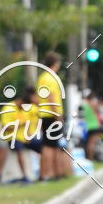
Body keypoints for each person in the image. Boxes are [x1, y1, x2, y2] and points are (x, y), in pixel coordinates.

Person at [36, 51, 69, 179]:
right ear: (55, 63)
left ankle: (49, 173)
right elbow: (52, 98)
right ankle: (49, 173)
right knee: (50, 146)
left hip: (43, 114)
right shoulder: (52, 77)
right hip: (52, 115)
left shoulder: (42, 77)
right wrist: (57, 115)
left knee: (49, 145)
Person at [0, 88, 42, 182]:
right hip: (12, 138)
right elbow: (6, 127)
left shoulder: (24, 109)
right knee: (19, 149)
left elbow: (28, 125)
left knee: (44, 147)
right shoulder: (8, 108)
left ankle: (42, 175)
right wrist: (19, 125)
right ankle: (24, 176)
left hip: (25, 138)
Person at [81, 90, 103, 160]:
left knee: (88, 143)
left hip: (87, 126)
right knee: (92, 144)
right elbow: (97, 114)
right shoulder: (93, 104)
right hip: (94, 125)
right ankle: (91, 158)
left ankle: (88, 158)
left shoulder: (84, 105)